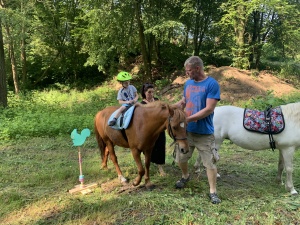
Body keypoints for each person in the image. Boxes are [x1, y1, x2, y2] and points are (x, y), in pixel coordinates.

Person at [174, 56, 221, 204]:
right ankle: (185, 176)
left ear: (197, 69)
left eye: (188, 71)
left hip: (204, 133)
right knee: (181, 158)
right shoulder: (188, 84)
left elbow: (208, 109)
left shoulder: (211, 84)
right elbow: (183, 102)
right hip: (186, 133)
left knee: (209, 163)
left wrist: (187, 119)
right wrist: (168, 108)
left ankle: (213, 192)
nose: (186, 74)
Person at [140, 83, 166, 176]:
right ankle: (147, 163)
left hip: (159, 129)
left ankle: (160, 167)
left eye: (152, 92)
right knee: (148, 148)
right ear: (145, 92)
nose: (151, 94)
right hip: (148, 131)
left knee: (160, 147)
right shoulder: (142, 104)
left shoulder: (157, 100)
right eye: (149, 92)